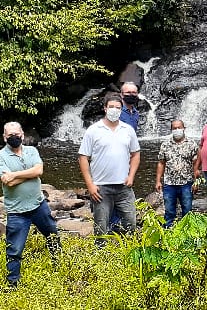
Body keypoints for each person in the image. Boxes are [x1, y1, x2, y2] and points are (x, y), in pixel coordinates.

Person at [0, 122, 60, 288]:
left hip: (39, 205)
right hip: (17, 212)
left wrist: (15, 175)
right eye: (10, 135)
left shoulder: (32, 151)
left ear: (22, 134)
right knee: (14, 249)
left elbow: (39, 171)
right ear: (4, 137)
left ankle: (60, 268)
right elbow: (7, 182)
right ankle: (12, 284)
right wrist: (31, 174)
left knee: (53, 237)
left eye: (16, 134)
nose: (14, 137)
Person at [79, 95, 140, 246]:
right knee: (101, 227)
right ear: (105, 108)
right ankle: (101, 257)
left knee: (131, 223)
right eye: (111, 107)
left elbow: (136, 154)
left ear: (122, 110)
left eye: (118, 108)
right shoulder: (93, 130)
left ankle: (128, 254)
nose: (114, 110)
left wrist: (131, 176)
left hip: (124, 187)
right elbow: (82, 158)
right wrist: (90, 185)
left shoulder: (128, 130)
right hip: (101, 188)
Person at [155, 119, 198, 227]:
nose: (177, 130)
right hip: (169, 184)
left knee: (187, 211)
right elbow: (161, 163)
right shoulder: (165, 145)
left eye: (179, 127)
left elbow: (196, 164)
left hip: (186, 183)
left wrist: (196, 182)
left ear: (184, 128)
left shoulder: (192, 144)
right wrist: (158, 181)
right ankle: (168, 235)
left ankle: (187, 234)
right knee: (169, 212)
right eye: (174, 128)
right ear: (171, 130)